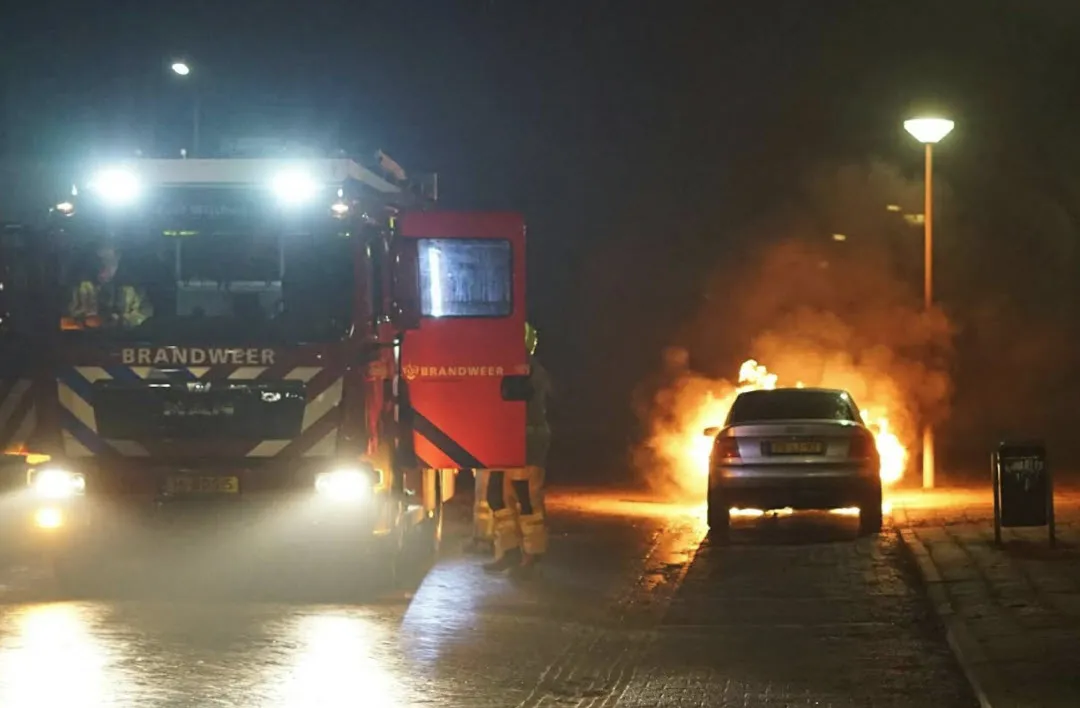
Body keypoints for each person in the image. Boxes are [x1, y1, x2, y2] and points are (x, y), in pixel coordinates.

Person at [484, 322, 553, 577]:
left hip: (528, 442)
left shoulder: (530, 370)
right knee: (497, 496)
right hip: (505, 441)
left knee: (526, 498)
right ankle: (510, 550)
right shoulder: (507, 366)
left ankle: (532, 552)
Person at [66, 242, 152, 329]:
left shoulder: (133, 287)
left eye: (107, 263)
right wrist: (83, 321)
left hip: (124, 339)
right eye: (97, 264)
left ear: (118, 259)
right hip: (83, 339)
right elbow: (65, 315)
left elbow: (145, 312)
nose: (102, 271)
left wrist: (120, 321)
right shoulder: (78, 287)